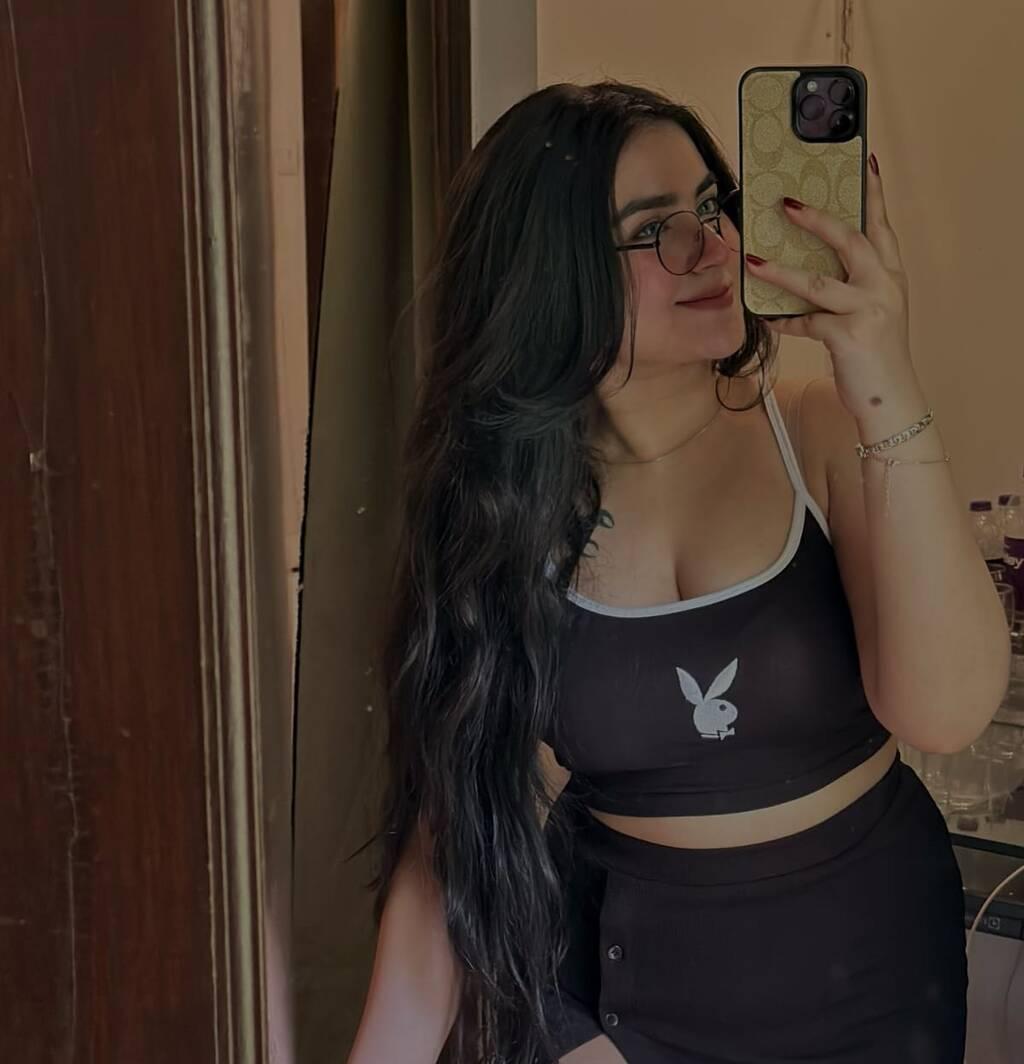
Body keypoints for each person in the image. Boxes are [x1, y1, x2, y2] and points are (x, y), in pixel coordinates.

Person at [346, 81, 1010, 1064]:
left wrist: (883, 374)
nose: (712, 247)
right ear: (550, 273)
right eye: (654, 230)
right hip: (617, 1008)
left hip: (872, 978)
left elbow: (945, 713)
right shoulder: (503, 513)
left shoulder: (816, 428)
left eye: (711, 205)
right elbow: (458, 837)